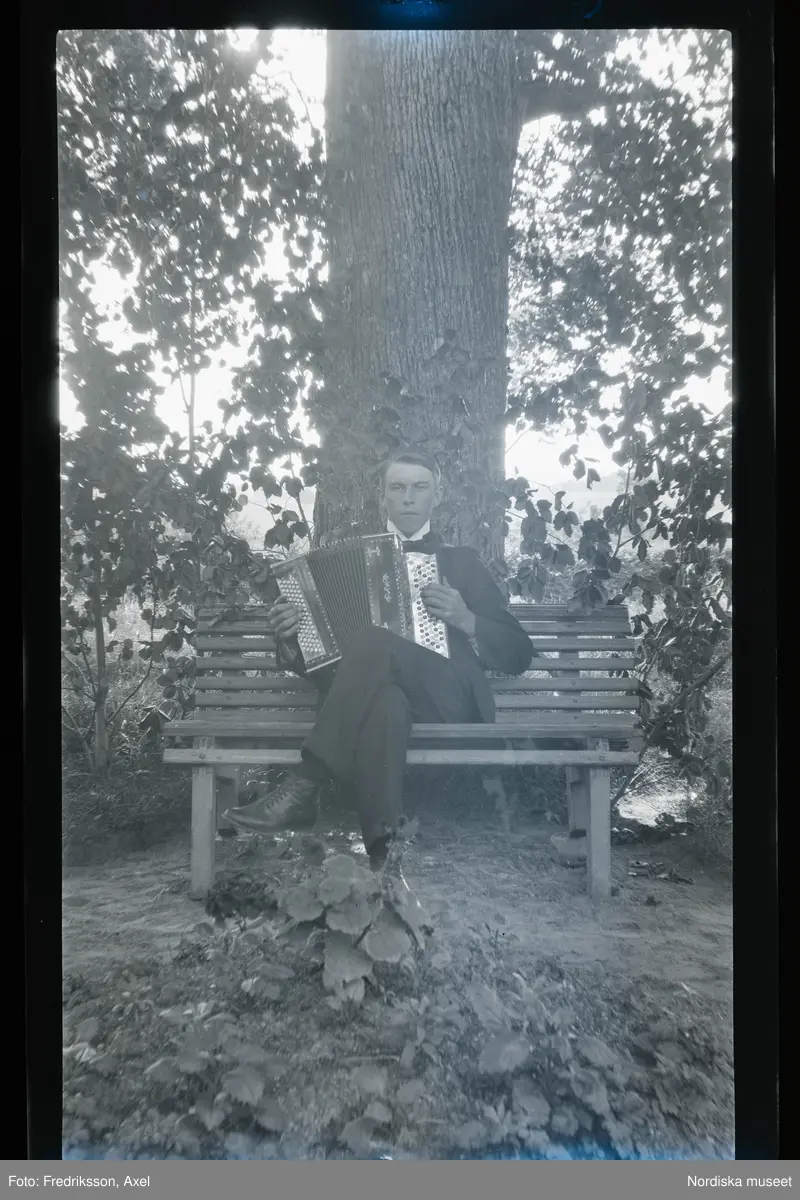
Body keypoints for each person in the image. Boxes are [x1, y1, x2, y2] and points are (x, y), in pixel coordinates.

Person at [223, 451, 534, 869]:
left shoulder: (462, 562)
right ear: (382, 495)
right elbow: (326, 669)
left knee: (372, 641)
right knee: (385, 701)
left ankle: (305, 783)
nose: (409, 497)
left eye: (420, 487)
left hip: (448, 699)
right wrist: (291, 637)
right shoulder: (348, 559)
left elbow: (519, 652)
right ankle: (382, 858)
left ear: (437, 495)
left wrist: (467, 619)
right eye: (398, 487)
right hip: (383, 703)